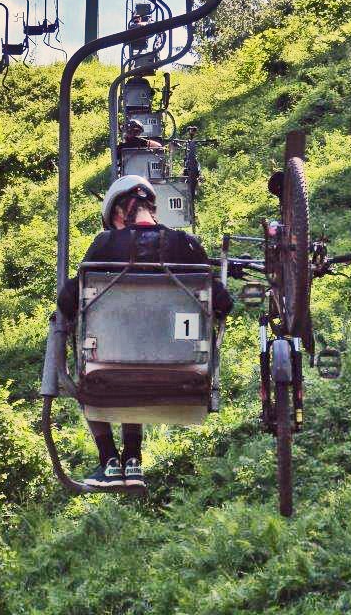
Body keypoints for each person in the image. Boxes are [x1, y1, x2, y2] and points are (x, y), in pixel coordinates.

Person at [57, 175, 233, 490]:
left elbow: (68, 300)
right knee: (138, 357)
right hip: (185, 368)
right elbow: (224, 302)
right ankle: (133, 459)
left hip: (110, 367)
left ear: (118, 213)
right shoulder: (186, 244)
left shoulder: (105, 244)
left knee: (114, 357)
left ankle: (110, 460)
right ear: (152, 208)